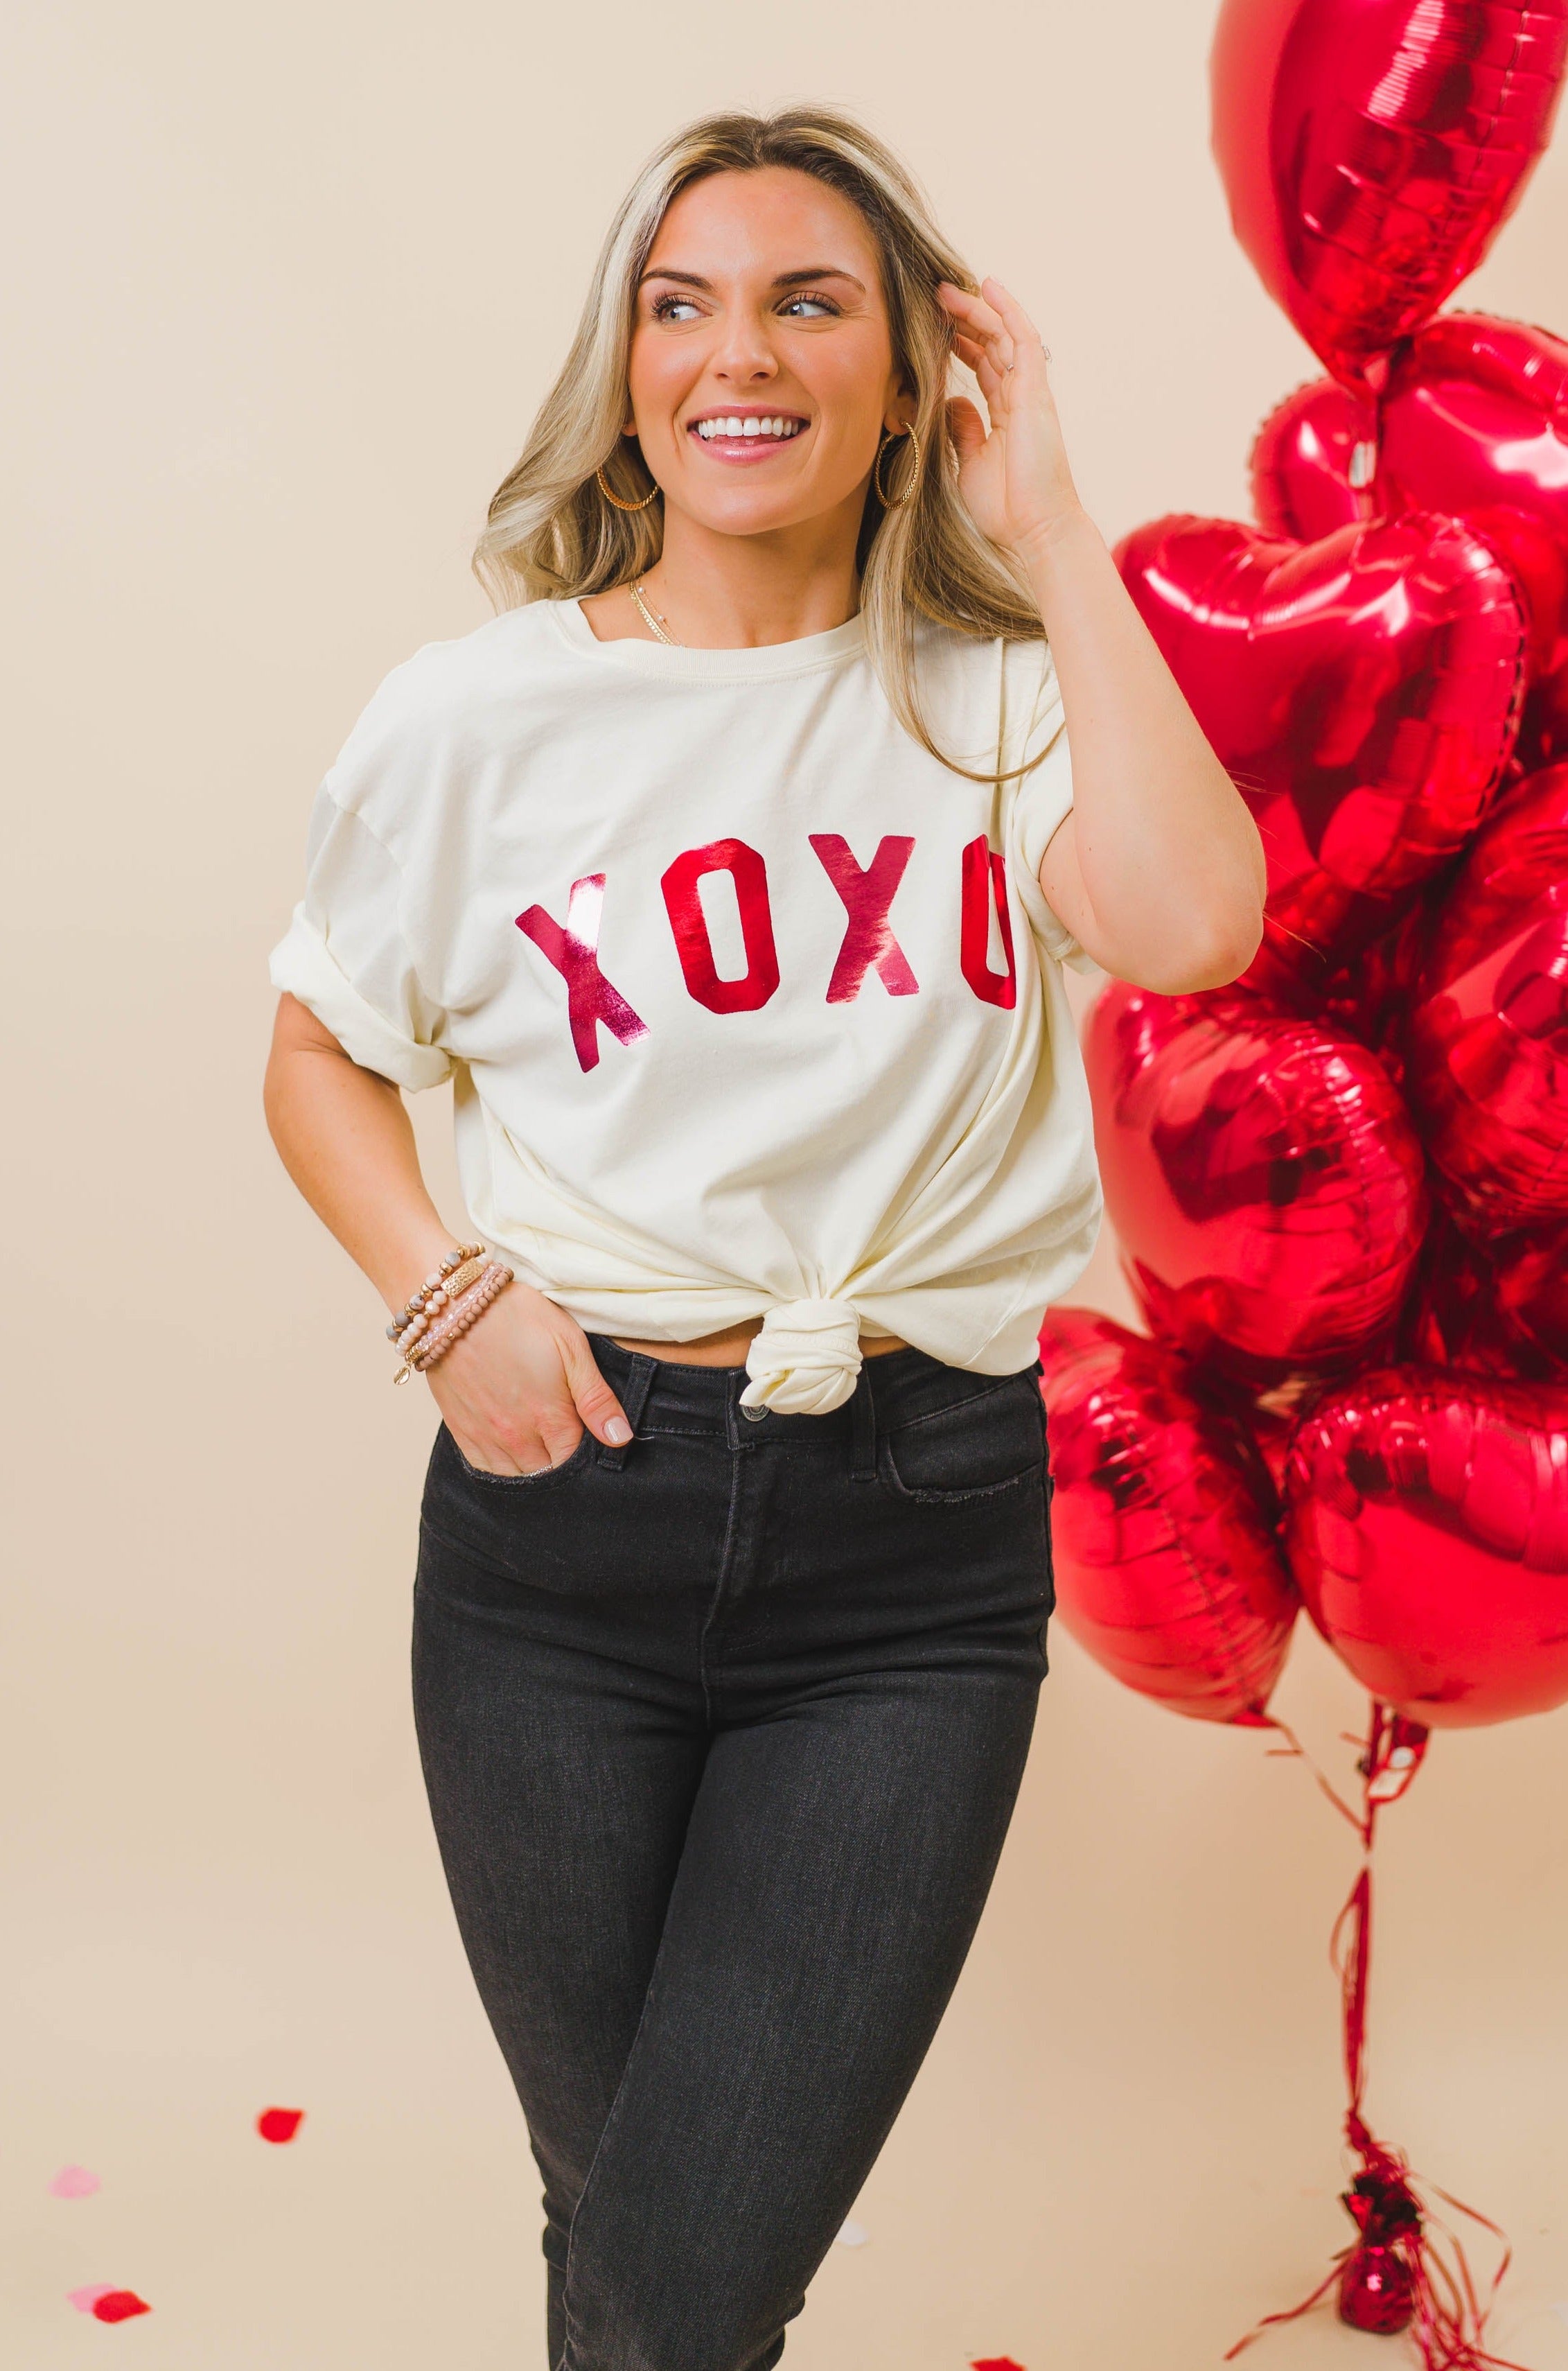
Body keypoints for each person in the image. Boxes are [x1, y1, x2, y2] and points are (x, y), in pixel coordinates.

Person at [263, 105, 1264, 2371]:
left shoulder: (1011, 707)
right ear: (626, 366)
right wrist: (447, 1300)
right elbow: (315, 1058)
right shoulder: (476, 716)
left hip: (911, 1553)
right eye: (682, 304)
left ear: (910, 376)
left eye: (812, 303)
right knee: (623, 2225)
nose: (741, 354)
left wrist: (1053, 522)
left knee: (676, 2275)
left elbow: (1198, 925)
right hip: (560, 1530)